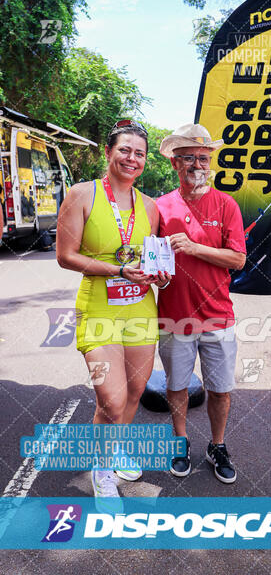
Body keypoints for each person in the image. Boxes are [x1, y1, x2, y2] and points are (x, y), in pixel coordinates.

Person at [56, 120, 170, 502]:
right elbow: (65, 256)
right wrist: (117, 270)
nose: (131, 158)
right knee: (112, 399)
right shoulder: (81, 195)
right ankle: (101, 474)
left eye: (139, 153)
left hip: (140, 309)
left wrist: (158, 277)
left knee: (136, 391)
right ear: (108, 153)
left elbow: (150, 260)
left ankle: (115, 447)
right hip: (99, 308)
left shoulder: (150, 207)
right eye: (124, 150)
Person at [156, 123, 246, 484]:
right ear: (175, 164)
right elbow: (155, 261)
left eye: (203, 158)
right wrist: (158, 276)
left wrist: (195, 249)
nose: (197, 164)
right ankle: (180, 441)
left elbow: (237, 259)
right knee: (177, 385)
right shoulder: (160, 207)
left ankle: (217, 445)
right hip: (173, 316)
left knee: (220, 388)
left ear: (211, 162)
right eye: (189, 157)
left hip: (217, 317)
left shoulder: (226, 205)